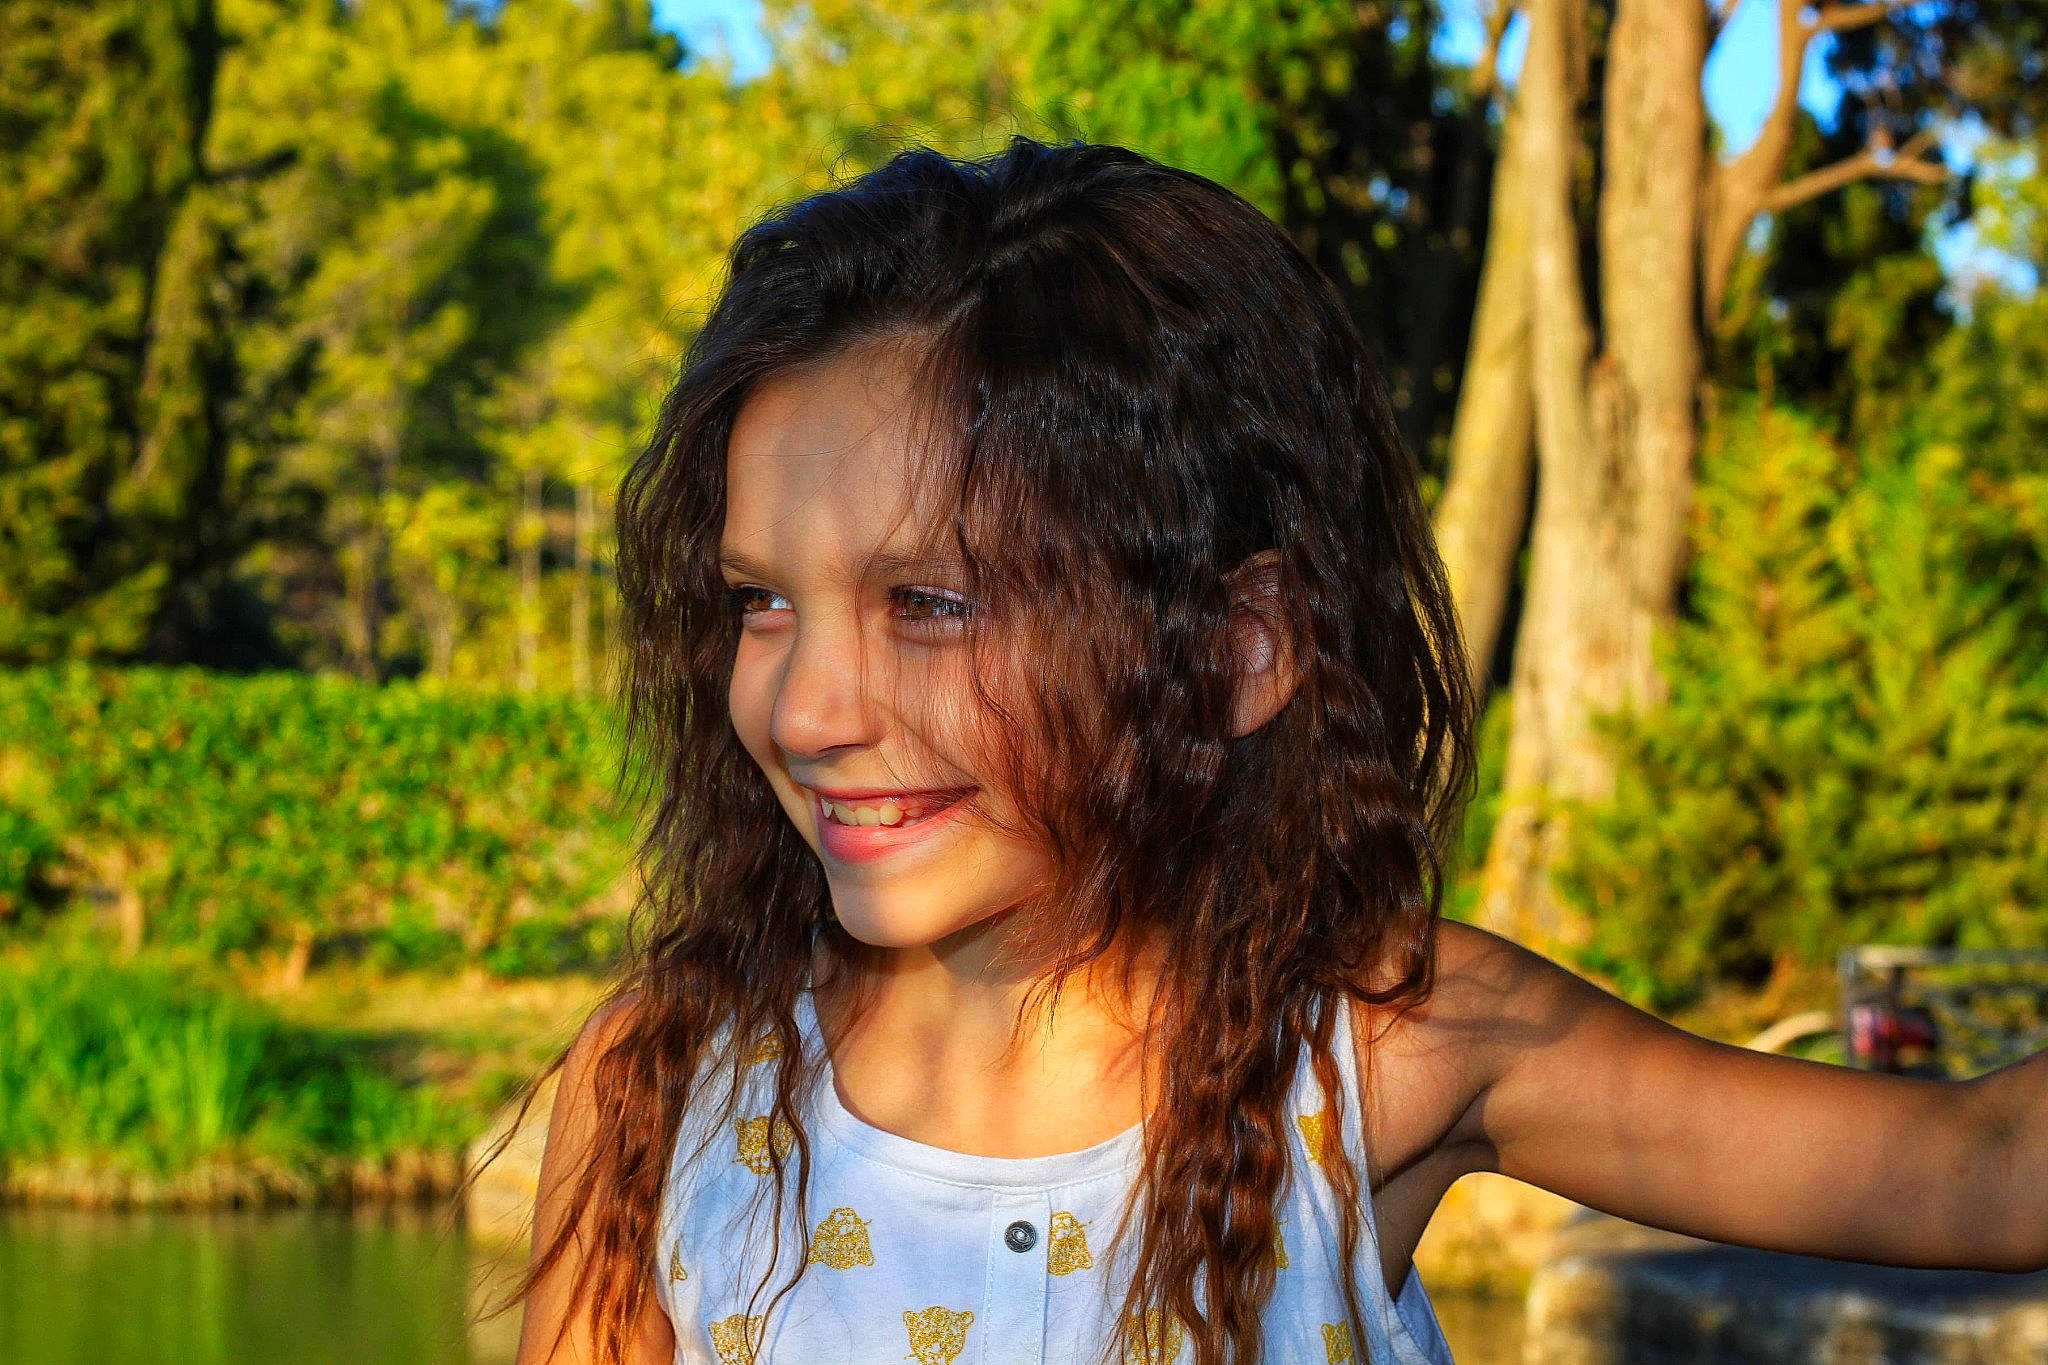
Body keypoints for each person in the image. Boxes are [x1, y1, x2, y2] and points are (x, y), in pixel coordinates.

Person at [497, 137, 2047, 1365]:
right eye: (764, 600)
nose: (809, 708)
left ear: (1237, 645)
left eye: (934, 601)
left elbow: (1982, 1168)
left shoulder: (1371, 1043)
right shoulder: (666, 1079)